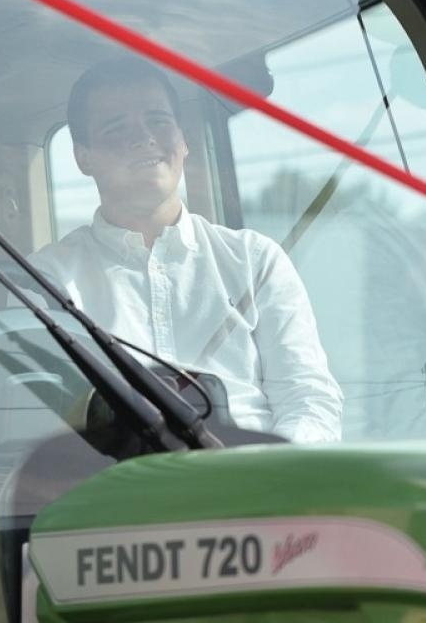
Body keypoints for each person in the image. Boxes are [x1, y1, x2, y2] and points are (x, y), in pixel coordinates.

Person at [30, 57, 343, 443]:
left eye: (158, 121)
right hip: (122, 492)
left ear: (183, 140)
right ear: (83, 157)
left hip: (262, 486)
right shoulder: (47, 279)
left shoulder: (256, 260)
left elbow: (308, 399)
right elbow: (46, 424)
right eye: (116, 128)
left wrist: (273, 483)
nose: (143, 137)